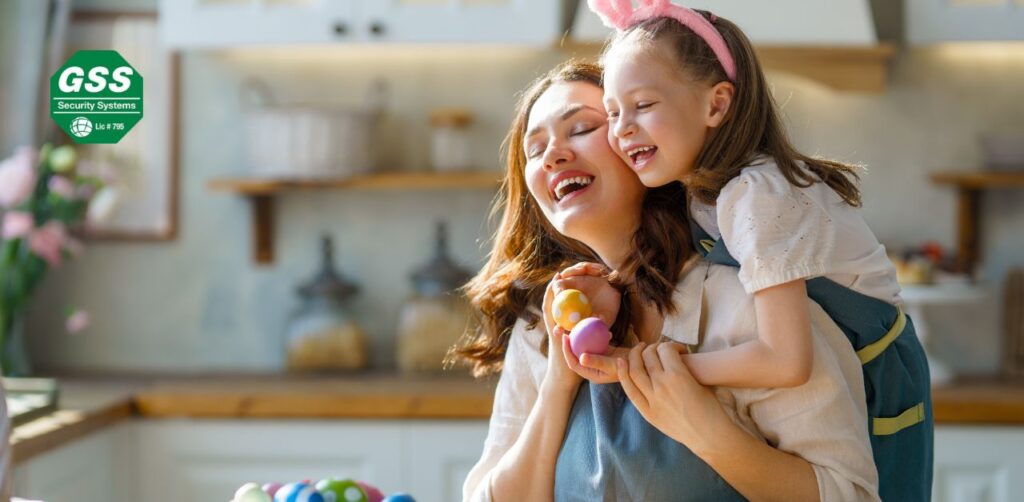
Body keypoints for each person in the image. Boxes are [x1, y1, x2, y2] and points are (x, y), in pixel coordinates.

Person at [456, 60, 879, 501]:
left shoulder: (751, 310)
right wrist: (558, 384)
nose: (553, 154)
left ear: (643, 141)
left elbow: (850, 494)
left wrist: (707, 431)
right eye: (534, 149)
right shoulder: (542, 328)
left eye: (581, 128)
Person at [585, 2, 933, 499]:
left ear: (716, 105)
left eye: (642, 106)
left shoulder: (758, 196)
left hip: (879, 373)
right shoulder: (703, 193)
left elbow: (786, 359)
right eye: (613, 113)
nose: (621, 129)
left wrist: (657, 369)